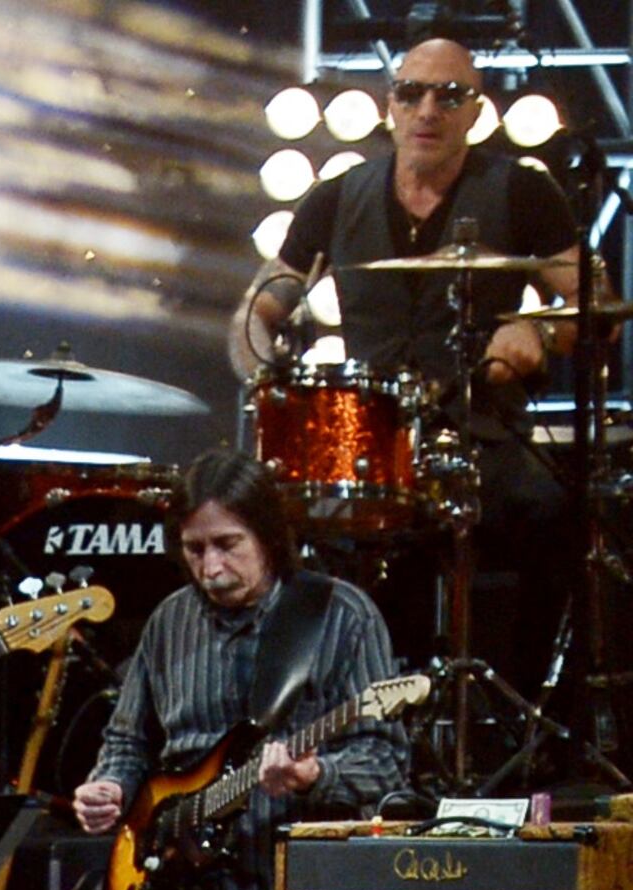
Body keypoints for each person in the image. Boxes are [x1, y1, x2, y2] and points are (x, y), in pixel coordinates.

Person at [237, 23, 601, 695]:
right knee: (262, 518)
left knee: (559, 514)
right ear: (389, 105)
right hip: (369, 440)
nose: (428, 110)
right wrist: (260, 354)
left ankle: (522, 709)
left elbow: (593, 301)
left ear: (476, 109)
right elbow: (263, 305)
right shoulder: (337, 195)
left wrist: (538, 330)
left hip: (481, 428)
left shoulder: (522, 190)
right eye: (411, 94)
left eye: (449, 94)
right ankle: (327, 713)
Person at [67, 452, 405, 890]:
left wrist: (315, 775)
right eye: (194, 549)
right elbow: (128, 741)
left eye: (227, 545)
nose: (211, 568)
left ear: (268, 537)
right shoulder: (168, 621)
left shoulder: (341, 616)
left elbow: (386, 761)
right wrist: (109, 786)